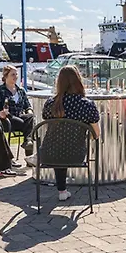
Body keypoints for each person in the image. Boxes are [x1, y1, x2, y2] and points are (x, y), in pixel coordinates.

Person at [36, 65, 100, 201]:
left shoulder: (51, 103)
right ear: (78, 81)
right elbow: (96, 134)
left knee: (59, 145)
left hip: (49, 154)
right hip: (76, 155)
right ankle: (71, 191)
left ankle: (62, 191)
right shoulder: (87, 105)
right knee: (65, 147)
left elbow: (46, 120)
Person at [0, 65, 34, 157]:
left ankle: (28, 142)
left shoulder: (21, 90)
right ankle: (29, 152)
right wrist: (0, 113)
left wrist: (30, 114)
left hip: (20, 116)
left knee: (31, 118)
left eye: (16, 74)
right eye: (13, 75)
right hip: (7, 118)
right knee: (29, 126)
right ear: (5, 76)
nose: (16, 77)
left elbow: (28, 106)